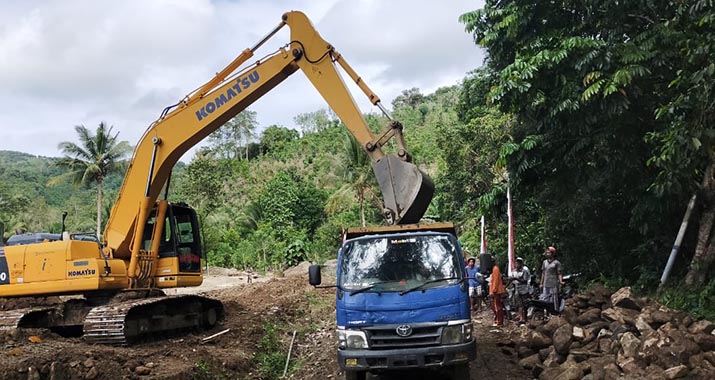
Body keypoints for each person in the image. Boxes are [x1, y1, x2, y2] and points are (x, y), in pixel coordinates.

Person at [540, 246, 563, 312]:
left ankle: (555, 311)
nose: (547, 254)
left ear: (552, 254)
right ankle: (546, 312)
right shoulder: (544, 262)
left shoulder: (556, 263)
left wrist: (561, 281)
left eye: (549, 253)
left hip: (554, 283)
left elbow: (559, 273)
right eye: (547, 253)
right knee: (545, 299)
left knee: (554, 298)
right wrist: (541, 283)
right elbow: (543, 273)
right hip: (546, 283)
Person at [509, 257, 531, 324]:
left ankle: (525, 318)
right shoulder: (514, 271)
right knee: (519, 305)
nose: (517, 265)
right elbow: (511, 279)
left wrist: (516, 278)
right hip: (517, 289)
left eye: (518, 263)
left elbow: (524, 281)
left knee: (525, 305)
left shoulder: (525, 270)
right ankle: (521, 318)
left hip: (524, 289)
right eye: (516, 263)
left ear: (521, 263)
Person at [489, 262, 506, 327]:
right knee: (496, 306)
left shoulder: (495, 269)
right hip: (496, 291)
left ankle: (499, 322)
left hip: (496, 291)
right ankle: (498, 321)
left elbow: (495, 281)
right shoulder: (494, 269)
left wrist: (493, 290)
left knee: (497, 307)